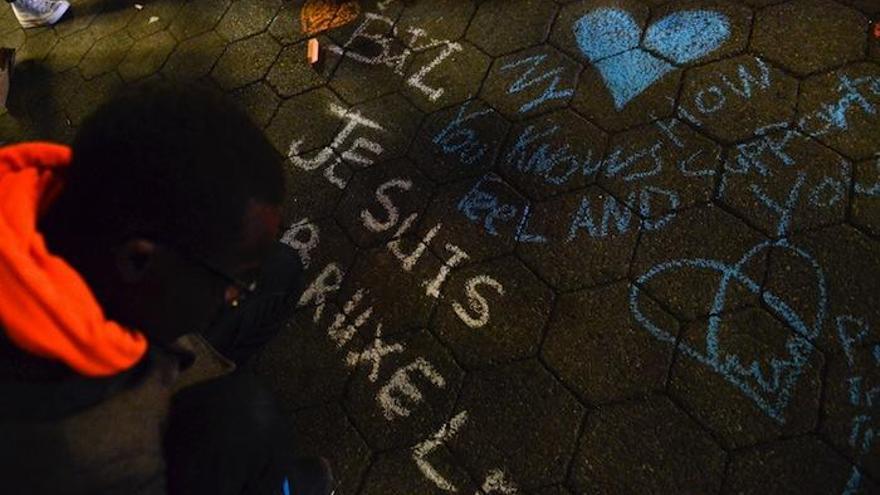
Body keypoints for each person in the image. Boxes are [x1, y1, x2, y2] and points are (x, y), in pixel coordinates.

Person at [0, 83, 332, 495]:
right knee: (245, 420)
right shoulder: (95, 459)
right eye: (232, 280)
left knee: (279, 272)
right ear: (139, 259)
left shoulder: (46, 202)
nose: (234, 295)